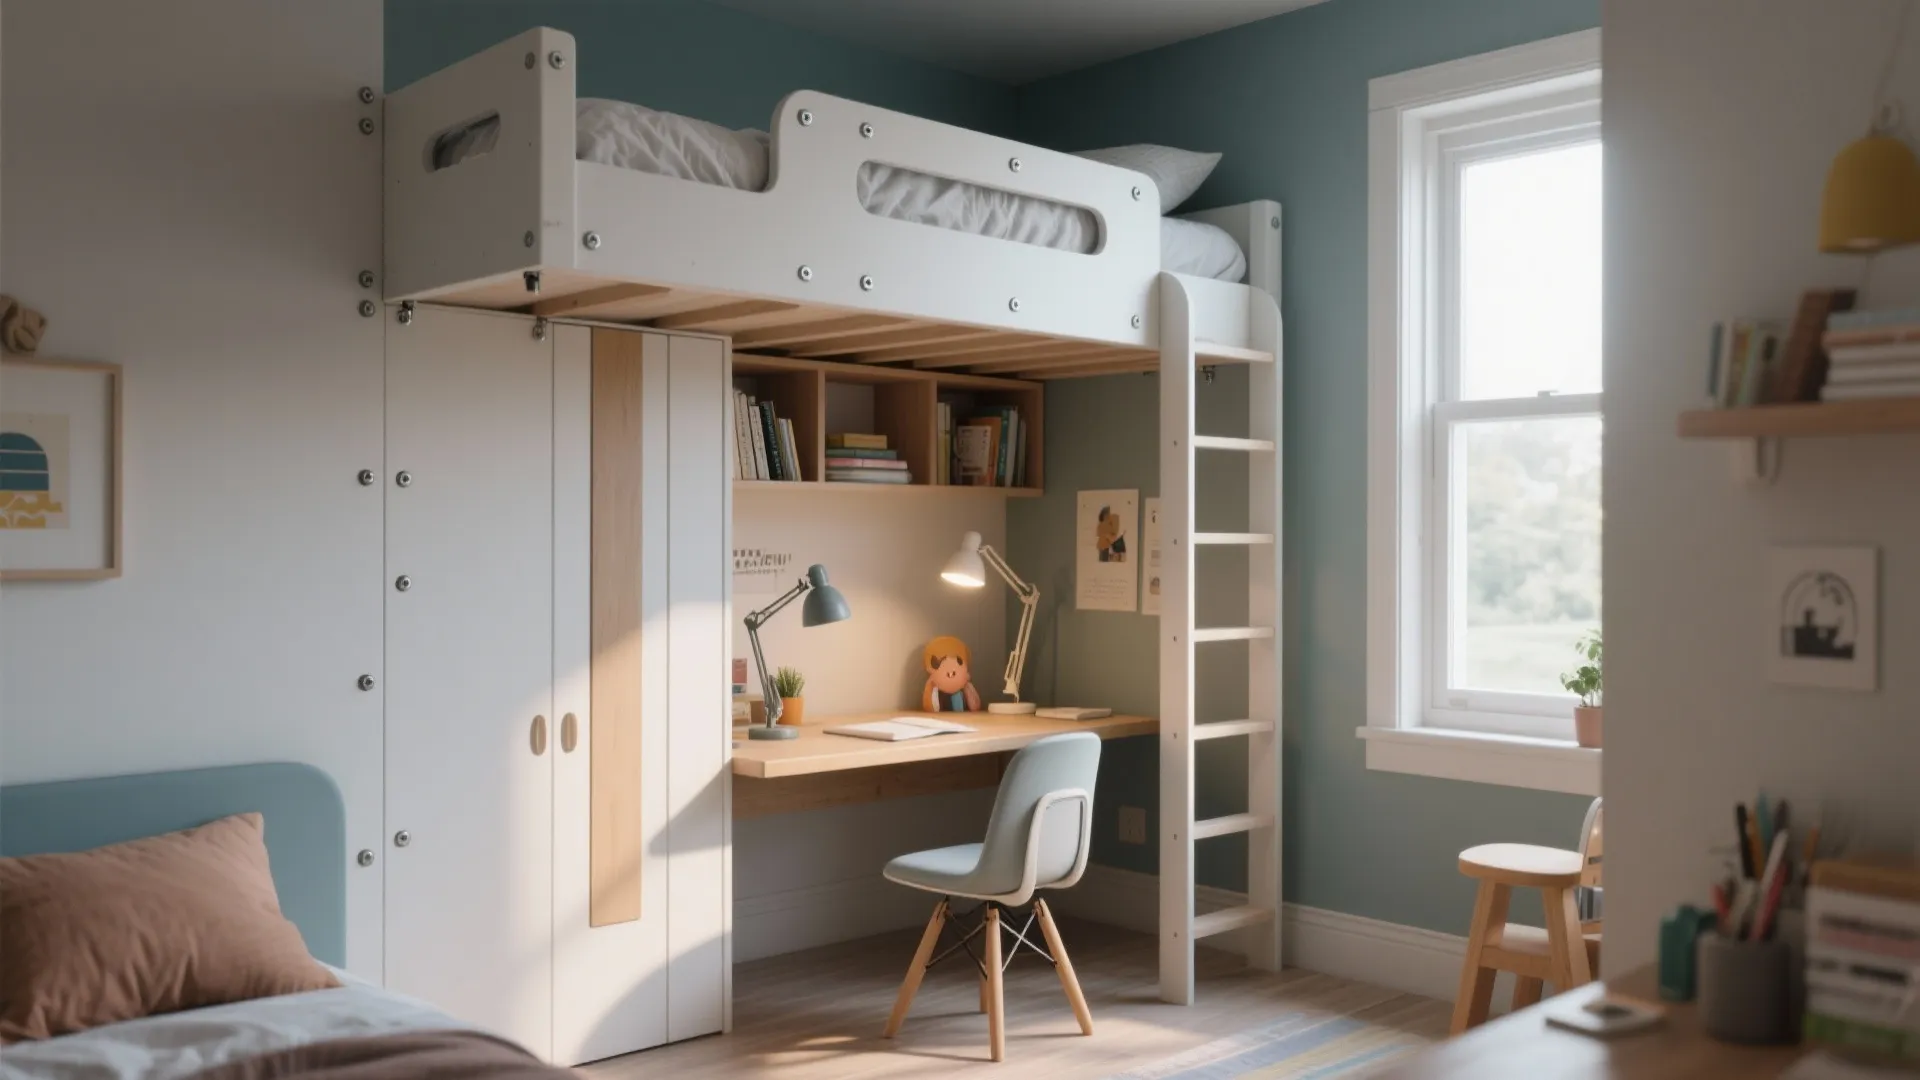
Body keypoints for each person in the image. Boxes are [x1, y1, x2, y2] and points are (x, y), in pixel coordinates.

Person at [920, 635, 983, 712]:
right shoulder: (932, 685)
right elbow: (929, 706)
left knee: (957, 697)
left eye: (959, 662)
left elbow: (975, 706)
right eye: (938, 663)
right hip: (940, 707)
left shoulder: (964, 685)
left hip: (958, 702)